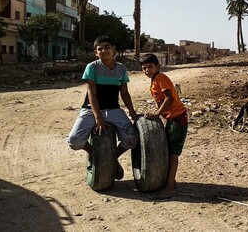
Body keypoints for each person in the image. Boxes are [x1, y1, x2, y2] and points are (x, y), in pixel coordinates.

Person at [67, 35, 139, 180]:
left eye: (107, 47)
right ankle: (94, 154)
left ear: (114, 50)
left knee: (131, 139)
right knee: (74, 140)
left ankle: (111, 159)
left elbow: (124, 92)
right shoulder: (92, 67)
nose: (104, 50)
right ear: (96, 53)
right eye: (100, 49)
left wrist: (132, 112)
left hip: (113, 110)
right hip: (90, 110)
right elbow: (91, 94)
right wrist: (98, 117)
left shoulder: (121, 68)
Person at [139, 53, 188, 199]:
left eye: (150, 67)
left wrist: (157, 113)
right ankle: (170, 181)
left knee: (173, 152)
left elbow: (169, 98)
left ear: (158, 66)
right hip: (173, 119)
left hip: (178, 118)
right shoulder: (154, 80)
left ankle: (169, 187)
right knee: (167, 149)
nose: (148, 70)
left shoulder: (160, 78)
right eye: (144, 68)